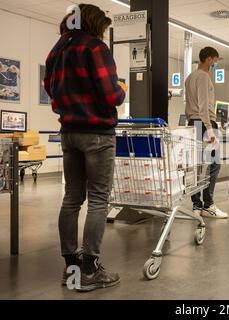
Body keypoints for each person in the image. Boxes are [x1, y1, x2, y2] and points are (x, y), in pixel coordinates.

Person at [44, 4, 127, 292]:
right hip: (97, 133)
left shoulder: (58, 49)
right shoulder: (96, 48)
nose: (103, 31)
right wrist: (120, 90)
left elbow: (49, 86)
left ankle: (71, 267)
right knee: (98, 199)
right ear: (93, 24)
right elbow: (111, 94)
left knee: (71, 198)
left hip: (69, 131)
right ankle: (90, 270)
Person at [185, 47, 228, 219]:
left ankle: (197, 205)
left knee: (198, 166)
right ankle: (208, 204)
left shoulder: (190, 77)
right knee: (214, 164)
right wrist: (210, 129)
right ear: (209, 59)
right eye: (215, 60)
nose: (215, 64)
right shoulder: (203, 76)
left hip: (192, 123)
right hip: (203, 124)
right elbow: (204, 105)